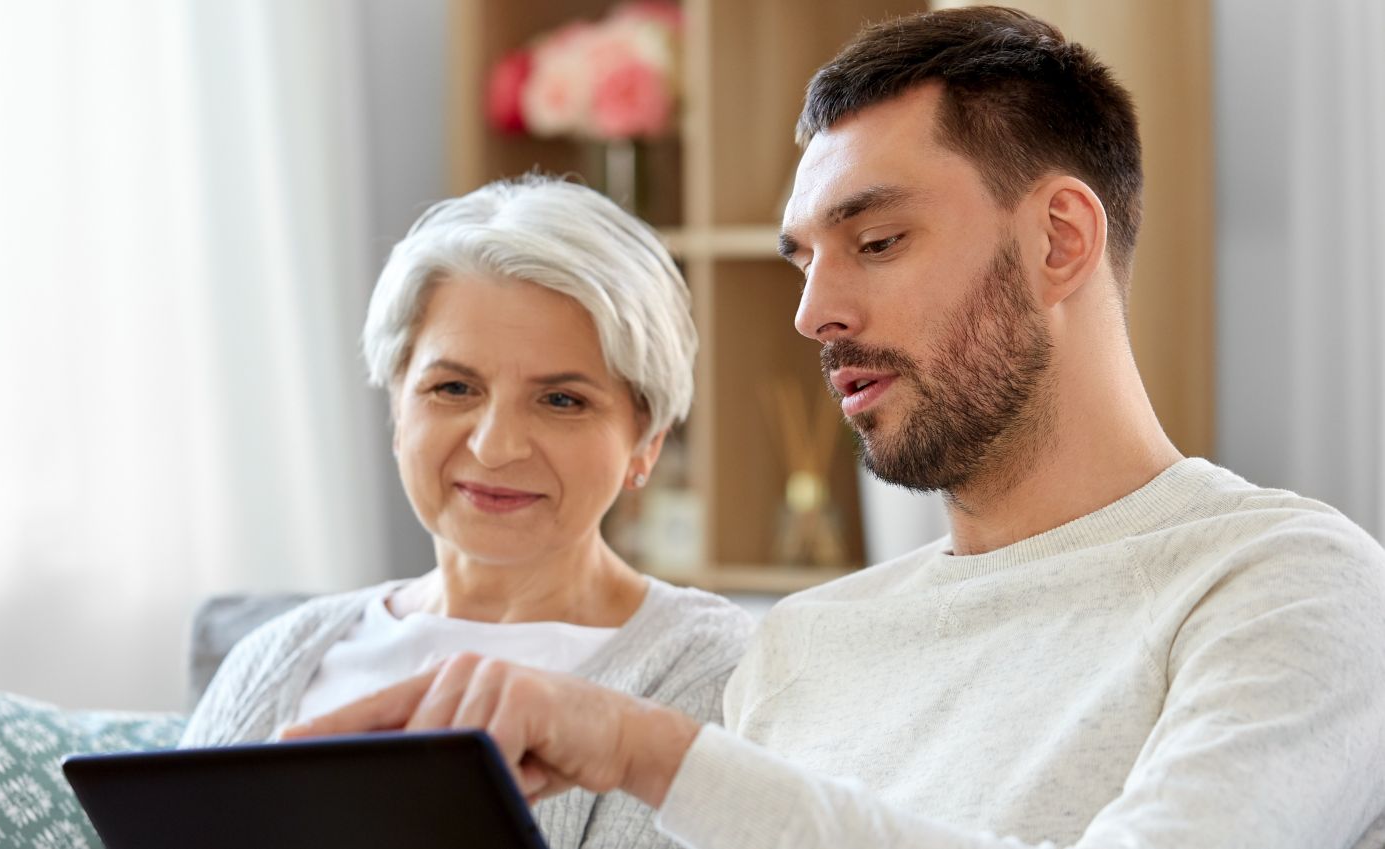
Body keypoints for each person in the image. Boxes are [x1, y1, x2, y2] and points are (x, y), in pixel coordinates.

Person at [282, 7, 1385, 848]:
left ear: (1059, 241)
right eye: (805, 258)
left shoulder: (1285, 580)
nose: (814, 314)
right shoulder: (806, 643)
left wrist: (650, 751)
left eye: (877, 241)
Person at [181, 175, 753, 849]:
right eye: (453, 387)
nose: (495, 445)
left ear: (645, 442)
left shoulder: (716, 671)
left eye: (561, 400)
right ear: (398, 410)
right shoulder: (277, 656)